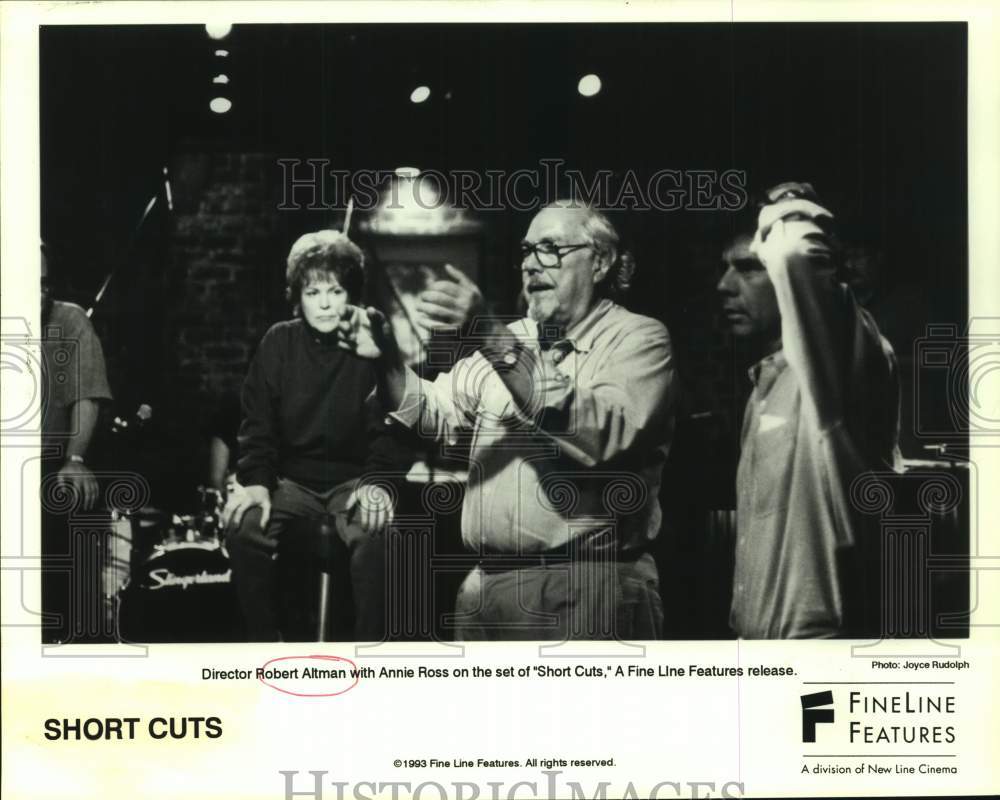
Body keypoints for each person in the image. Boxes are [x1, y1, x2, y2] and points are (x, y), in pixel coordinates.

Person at [336, 202, 676, 641]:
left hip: (586, 587)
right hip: (487, 588)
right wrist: (387, 361)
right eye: (527, 249)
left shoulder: (638, 339)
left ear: (600, 262)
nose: (532, 263)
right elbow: (433, 414)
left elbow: (600, 433)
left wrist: (489, 334)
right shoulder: (514, 338)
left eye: (551, 249)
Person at [716, 183, 901, 639]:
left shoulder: (844, 359)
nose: (724, 286)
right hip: (759, 647)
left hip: (819, 647)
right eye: (725, 269)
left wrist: (787, 211)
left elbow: (800, 255)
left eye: (748, 268)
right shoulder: (766, 384)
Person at [222, 230, 410, 641]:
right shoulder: (278, 341)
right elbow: (257, 426)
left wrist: (379, 484)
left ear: (352, 294)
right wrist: (255, 483)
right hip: (291, 483)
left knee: (380, 534)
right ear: (297, 295)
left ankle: (370, 655)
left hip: (354, 481)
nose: (324, 303)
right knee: (243, 526)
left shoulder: (370, 341)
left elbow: (394, 426)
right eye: (313, 292)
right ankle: (264, 648)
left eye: (336, 290)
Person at [40, 243, 113, 642]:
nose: (39, 294)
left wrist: (76, 457)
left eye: (44, 284)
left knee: (73, 500)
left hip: (50, 463)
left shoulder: (70, 321)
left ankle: (75, 638)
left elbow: (87, 395)